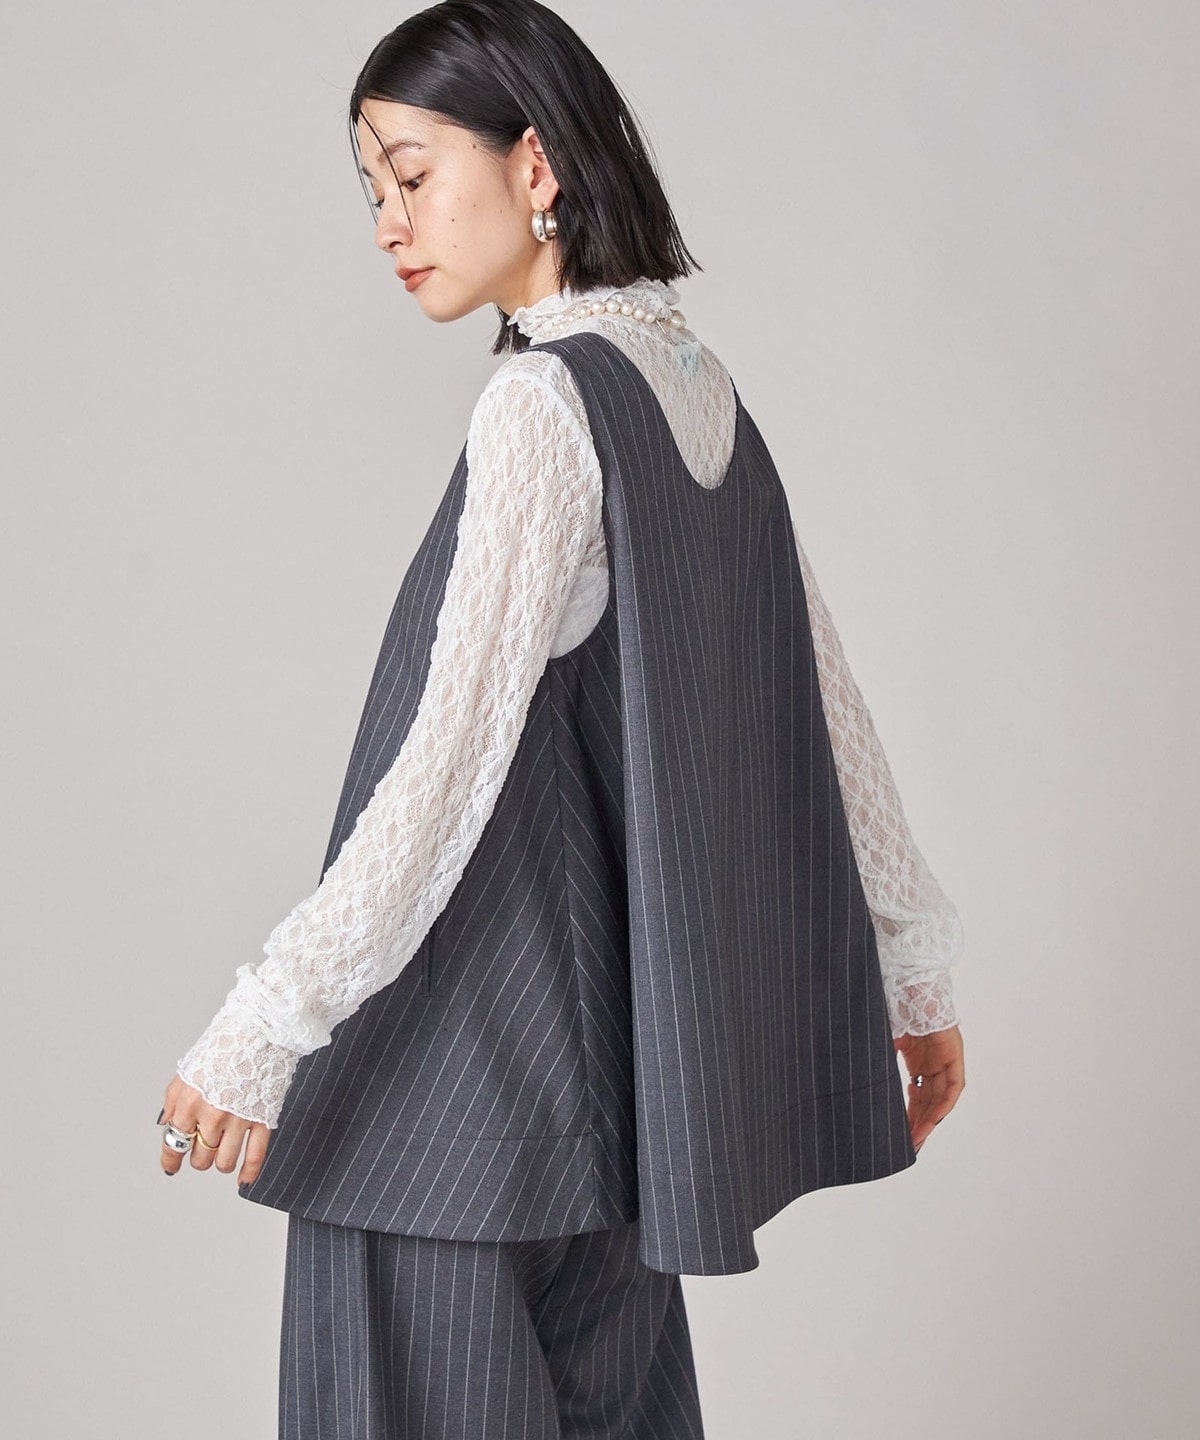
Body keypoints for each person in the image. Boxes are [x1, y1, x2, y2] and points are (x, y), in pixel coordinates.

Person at [158, 2, 966, 1434]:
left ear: (535, 164)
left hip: (445, 1102)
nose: (389, 221)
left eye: (413, 174)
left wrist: (264, 1023)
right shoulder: (698, 391)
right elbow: (826, 702)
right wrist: (915, 975)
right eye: (373, 189)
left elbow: (449, 765)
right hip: (602, 1110)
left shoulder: (542, 404)